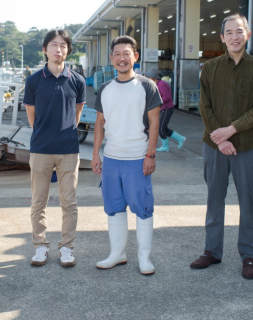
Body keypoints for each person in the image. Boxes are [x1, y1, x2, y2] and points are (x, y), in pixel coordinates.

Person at [190, 14, 253, 280]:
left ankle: (249, 255)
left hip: (247, 146)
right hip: (214, 147)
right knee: (215, 199)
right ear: (222, 37)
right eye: (229, 32)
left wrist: (231, 131)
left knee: (248, 202)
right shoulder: (210, 68)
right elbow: (205, 106)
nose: (234, 37)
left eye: (239, 31)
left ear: (248, 35)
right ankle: (212, 251)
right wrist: (220, 138)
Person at [91, 36, 162, 275]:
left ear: (135, 57)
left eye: (126, 53)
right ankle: (117, 254)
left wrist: (150, 155)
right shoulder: (105, 88)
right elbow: (99, 123)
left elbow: (154, 122)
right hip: (111, 159)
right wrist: (96, 154)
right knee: (114, 207)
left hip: (137, 158)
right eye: (117, 54)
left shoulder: (146, 86)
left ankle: (144, 258)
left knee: (142, 208)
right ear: (112, 59)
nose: (122, 58)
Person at [23, 29, 86, 267]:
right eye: (53, 45)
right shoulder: (34, 80)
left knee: (69, 202)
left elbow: (77, 114)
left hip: (69, 149)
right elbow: (32, 117)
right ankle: (40, 246)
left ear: (67, 50)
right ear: (45, 49)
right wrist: (46, 134)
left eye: (63, 45)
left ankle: (67, 248)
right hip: (41, 149)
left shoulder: (77, 80)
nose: (58, 50)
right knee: (38, 200)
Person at [143, 68, 186, 152]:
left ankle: (166, 146)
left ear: (154, 77)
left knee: (160, 128)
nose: (148, 78)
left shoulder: (161, 84)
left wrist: (157, 102)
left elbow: (167, 97)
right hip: (165, 108)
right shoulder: (158, 84)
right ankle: (180, 138)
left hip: (167, 108)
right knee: (164, 128)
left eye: (149, 77)